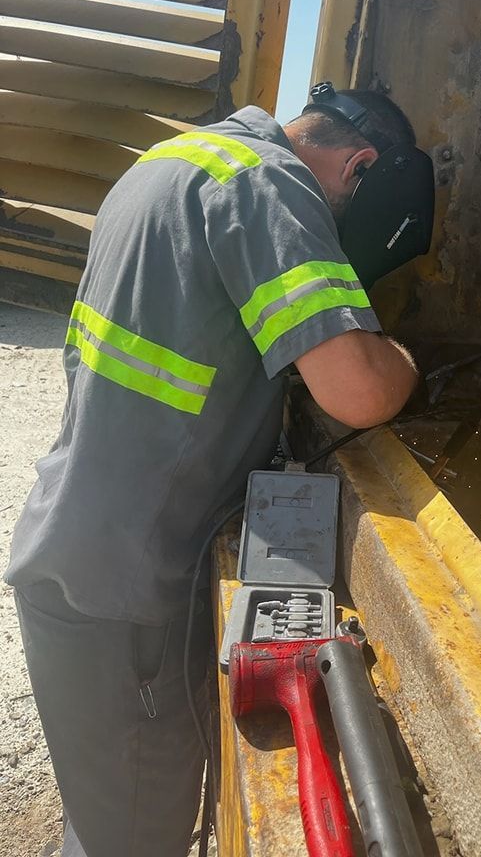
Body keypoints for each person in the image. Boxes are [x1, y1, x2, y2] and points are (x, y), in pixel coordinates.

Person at [5, 85, 434, 857]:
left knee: (104, 819)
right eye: (346, 208)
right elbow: (361, 391)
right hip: (130, 592)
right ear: (359, 164)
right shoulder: (267, 184)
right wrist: (404, 358)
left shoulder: (171, 160)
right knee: (138, 835)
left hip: (74, 547)